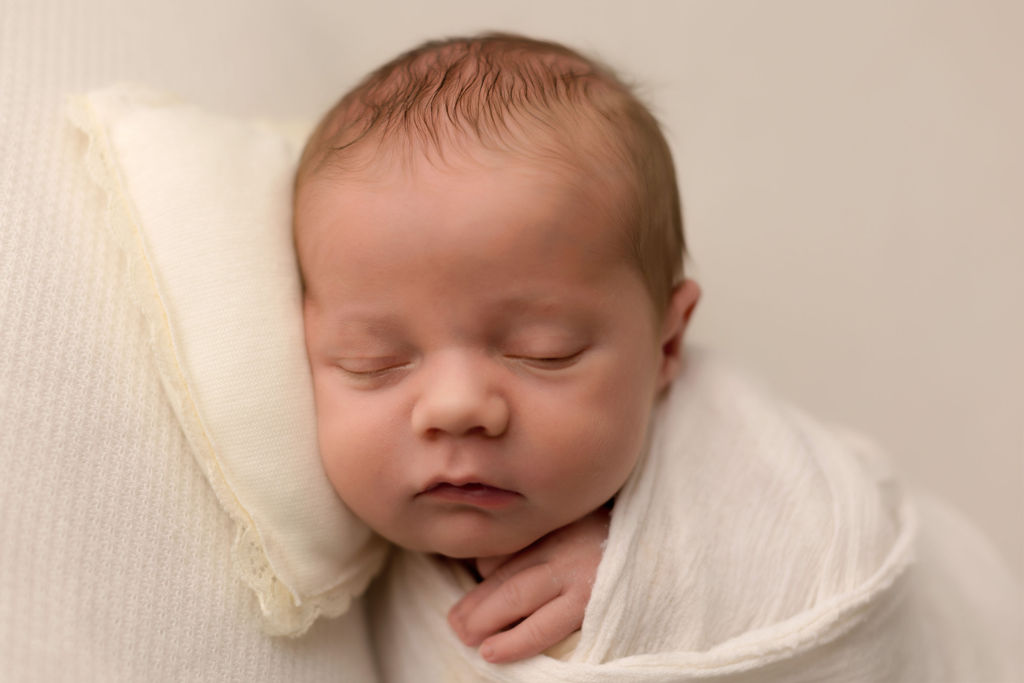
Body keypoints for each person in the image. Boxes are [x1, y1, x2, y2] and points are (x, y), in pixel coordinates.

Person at [292, 33, 1018, 679]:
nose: (455, 406)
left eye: (544, 352)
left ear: (667, 344)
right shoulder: (331, 570)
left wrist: (650, 574)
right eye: (373, 360)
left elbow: (841, 565)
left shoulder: (736, 461)